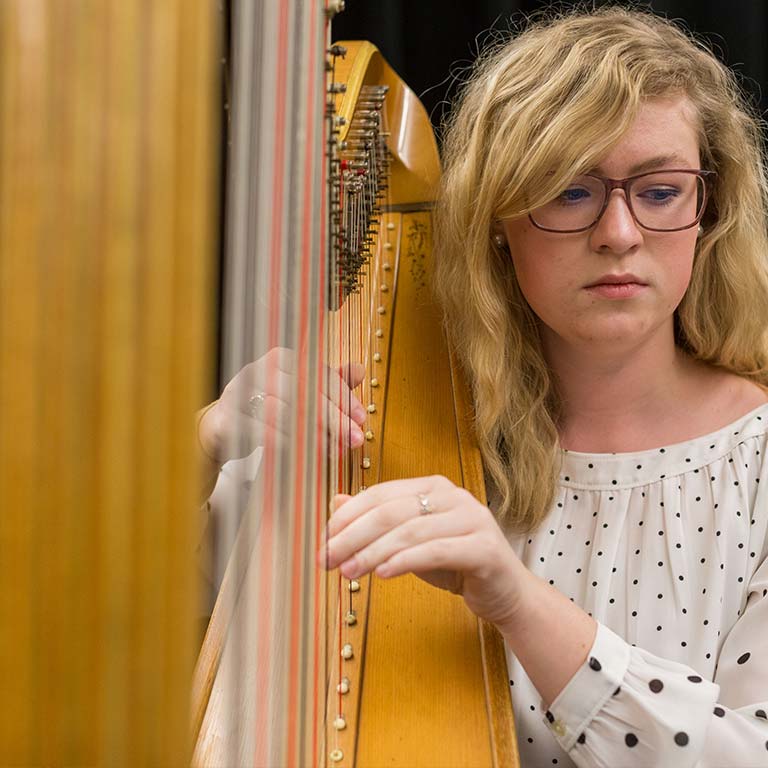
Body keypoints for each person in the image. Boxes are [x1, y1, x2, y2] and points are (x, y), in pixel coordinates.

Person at [200, 6, 768, 765]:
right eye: (570, 192)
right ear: (497, 220)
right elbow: (138, 632)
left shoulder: (756, 466)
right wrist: (198, 446)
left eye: (660, 191)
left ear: (709, 209)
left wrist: (518, 602)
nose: (620, 234)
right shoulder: (386, 419)